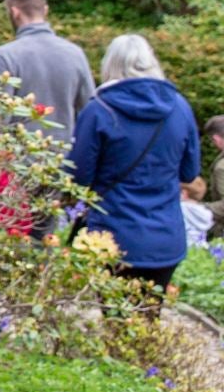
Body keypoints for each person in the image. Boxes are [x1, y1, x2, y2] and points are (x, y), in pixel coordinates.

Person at [69, 34, 201, 292]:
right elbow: (189, 172)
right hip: (165, 236)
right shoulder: (179, 107)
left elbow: (78, 176)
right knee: (148, 319)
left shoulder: (99, 110)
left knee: (116, 319)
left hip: (112, 235)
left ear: (110, 65)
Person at [0, 0, 95, 148]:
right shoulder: (75, 53)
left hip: (17, 164)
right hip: (64, 161)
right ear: (45, 10)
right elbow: (90, 113)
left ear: (14, 12)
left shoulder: (5, 56)